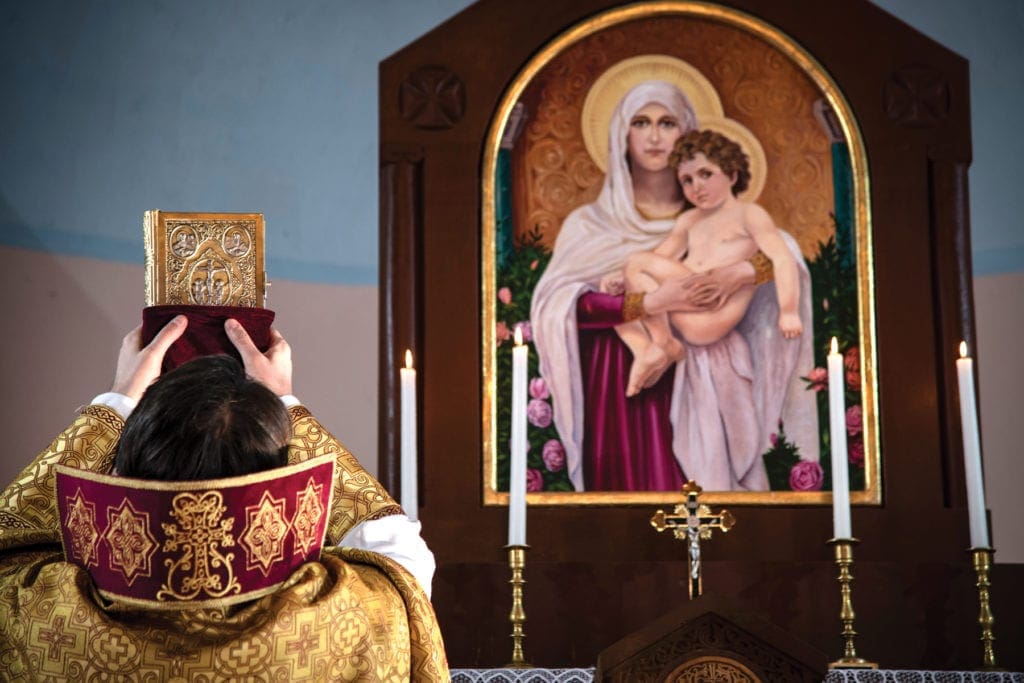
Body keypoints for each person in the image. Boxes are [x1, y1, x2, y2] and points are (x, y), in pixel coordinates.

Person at [0, 316, 449, 680]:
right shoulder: (350, 612)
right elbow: (401, 553)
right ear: (281, 493)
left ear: (120, 480)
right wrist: (285, 401)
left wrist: (117, 401)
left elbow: (10, 532)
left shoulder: (43, 615)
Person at [531, 78, 818, 492]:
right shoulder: (589, 226)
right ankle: (651, 347)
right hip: (619, 394)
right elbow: (559, 302)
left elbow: (782, 252)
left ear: (687, 133)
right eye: (640, 123)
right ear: (619, 135)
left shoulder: (726, 217)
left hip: (708, 368)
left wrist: (742, 272)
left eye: (667, 123)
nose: (653, 137)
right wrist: (650, 301)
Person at [610, 129, 803, 397]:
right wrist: (624, 279)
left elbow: (782, 257)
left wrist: (789, 310)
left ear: (732, 175)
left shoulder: (749, 214)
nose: (696, 186)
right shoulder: (688, 222)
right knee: (617, 304)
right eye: (686, 180)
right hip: (688, 307)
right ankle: (652, 347)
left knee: (636, 265)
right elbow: (662, 256)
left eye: (705, 174)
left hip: (714, 310)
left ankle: (662, 343)